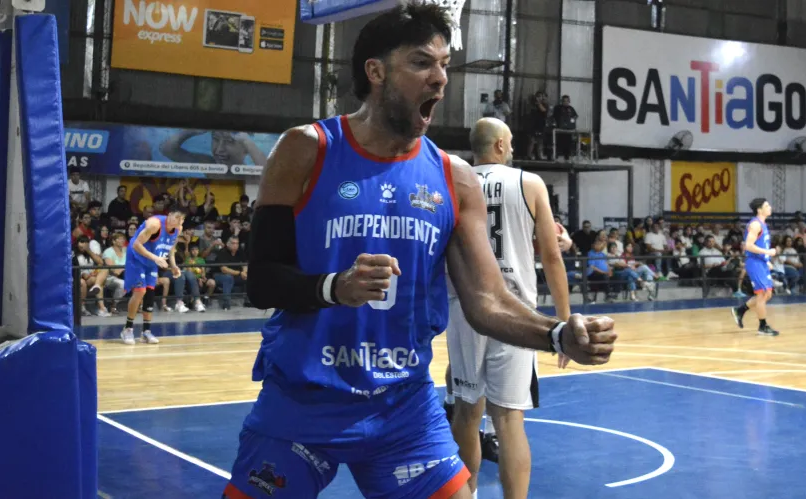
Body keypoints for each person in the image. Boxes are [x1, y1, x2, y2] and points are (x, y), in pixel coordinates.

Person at [221, 5, 617, 499]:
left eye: (444, 65)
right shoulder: (306, 149)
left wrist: (557, 334)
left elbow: (487, 300)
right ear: (376, 71)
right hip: (301, 402)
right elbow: (262, 281)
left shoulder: (456, 178)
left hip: (402, 408)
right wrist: (336, 287)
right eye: (421, 62)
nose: (440, 78)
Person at [445, 118, 573, 499]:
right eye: (512, 142)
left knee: (466, 412)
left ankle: (466, 494)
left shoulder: (452, 181)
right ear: (500, 145)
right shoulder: (529, 183)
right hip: (515, 313)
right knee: (508, 419)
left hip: (466, 307)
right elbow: (551, 256)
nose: (514, 148)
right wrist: (564, 322)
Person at [119, 205, 185, 345]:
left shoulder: (178, 229)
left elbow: (171, 249)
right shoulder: (154, 224)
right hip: (136, 258)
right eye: (177, 217)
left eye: (182, 219)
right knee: (140, 291)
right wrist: (156, 258)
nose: (179, 221)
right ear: (169, 215)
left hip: (152, 260)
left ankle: (146, 332)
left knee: (150, 292)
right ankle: (128, 329)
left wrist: (173, 266)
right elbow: (136, 244)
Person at [732, 198, 779, 336]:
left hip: (761, 262)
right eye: (767, 205)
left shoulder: (763, 224)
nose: (770, 207)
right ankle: (762, 326)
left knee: (767, 294)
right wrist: (767, 252)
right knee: (762, 294)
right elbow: (748, 246)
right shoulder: (755, 224)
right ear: (759, 210)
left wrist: (766, 260)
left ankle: (740, 310)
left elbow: (759, 244)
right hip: (754, 263)